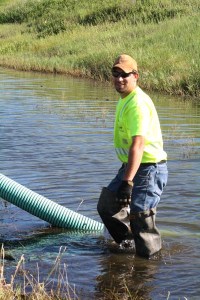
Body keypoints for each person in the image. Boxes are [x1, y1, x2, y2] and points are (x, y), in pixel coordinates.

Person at [97, 54, 168, 258]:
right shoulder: (125, 99)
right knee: (107, 205)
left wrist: (127, 182)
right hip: (133, 165)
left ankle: (149, 262)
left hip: (149, 168)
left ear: (135, 76)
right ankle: (129, 244)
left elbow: (138, 144)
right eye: (115, 74)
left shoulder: (137, 103)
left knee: (141, 216)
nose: (119, 79)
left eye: (125, 75)